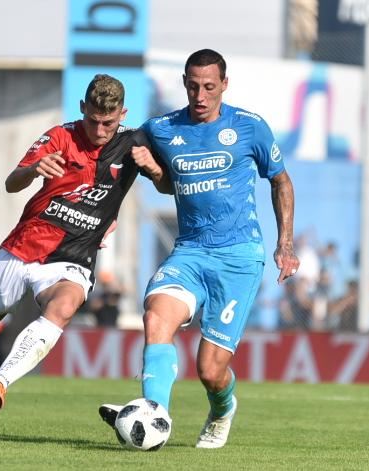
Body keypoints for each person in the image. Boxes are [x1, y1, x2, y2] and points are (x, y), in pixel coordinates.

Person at [0, 74, 167, 439]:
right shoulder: (59, 137)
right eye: (93, 120)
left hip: (73, 256)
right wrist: (33, 169)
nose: (101, 130)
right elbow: (12, 182)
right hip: (23, 248)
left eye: (109, 122)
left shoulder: (135, 143)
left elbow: (166, 184)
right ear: (82, 109)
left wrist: (152, 169)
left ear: (123, 114)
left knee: (64, 306)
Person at [98, 49, 300, 449]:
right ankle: (153, 413)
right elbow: (159, 179)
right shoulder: (162, 128)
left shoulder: (249, 127)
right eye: (193, 86)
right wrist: (146, 177)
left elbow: (281, 182)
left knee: (210, 371)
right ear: (185, 85)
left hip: (239, 257)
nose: (200, 95)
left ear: (224, 84)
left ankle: (222, 408)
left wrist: (286, 244)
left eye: (209, 86)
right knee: (156, 317)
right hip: (190, 252)